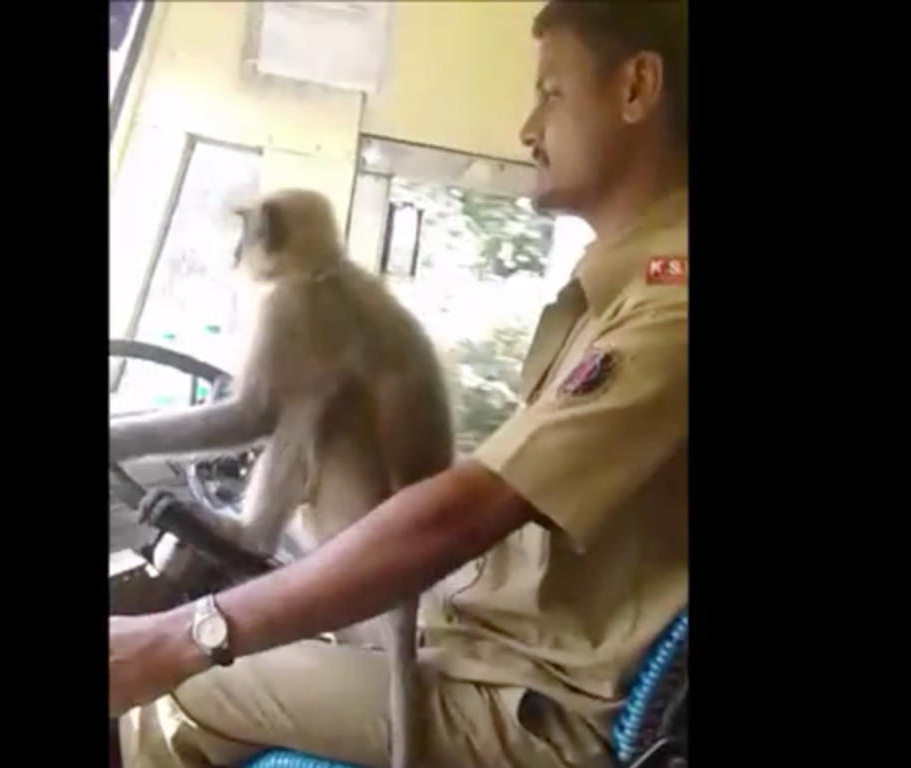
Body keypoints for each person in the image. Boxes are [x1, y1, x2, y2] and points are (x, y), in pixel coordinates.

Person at [110, 2, 688, 766]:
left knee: (178, 688)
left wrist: (184, 633)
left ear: (637, 87)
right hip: (487, 644)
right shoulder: (617, 293)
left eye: (551, 91)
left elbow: (467, 511)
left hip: (542, 707)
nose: (524, 129)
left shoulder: (669, 303)